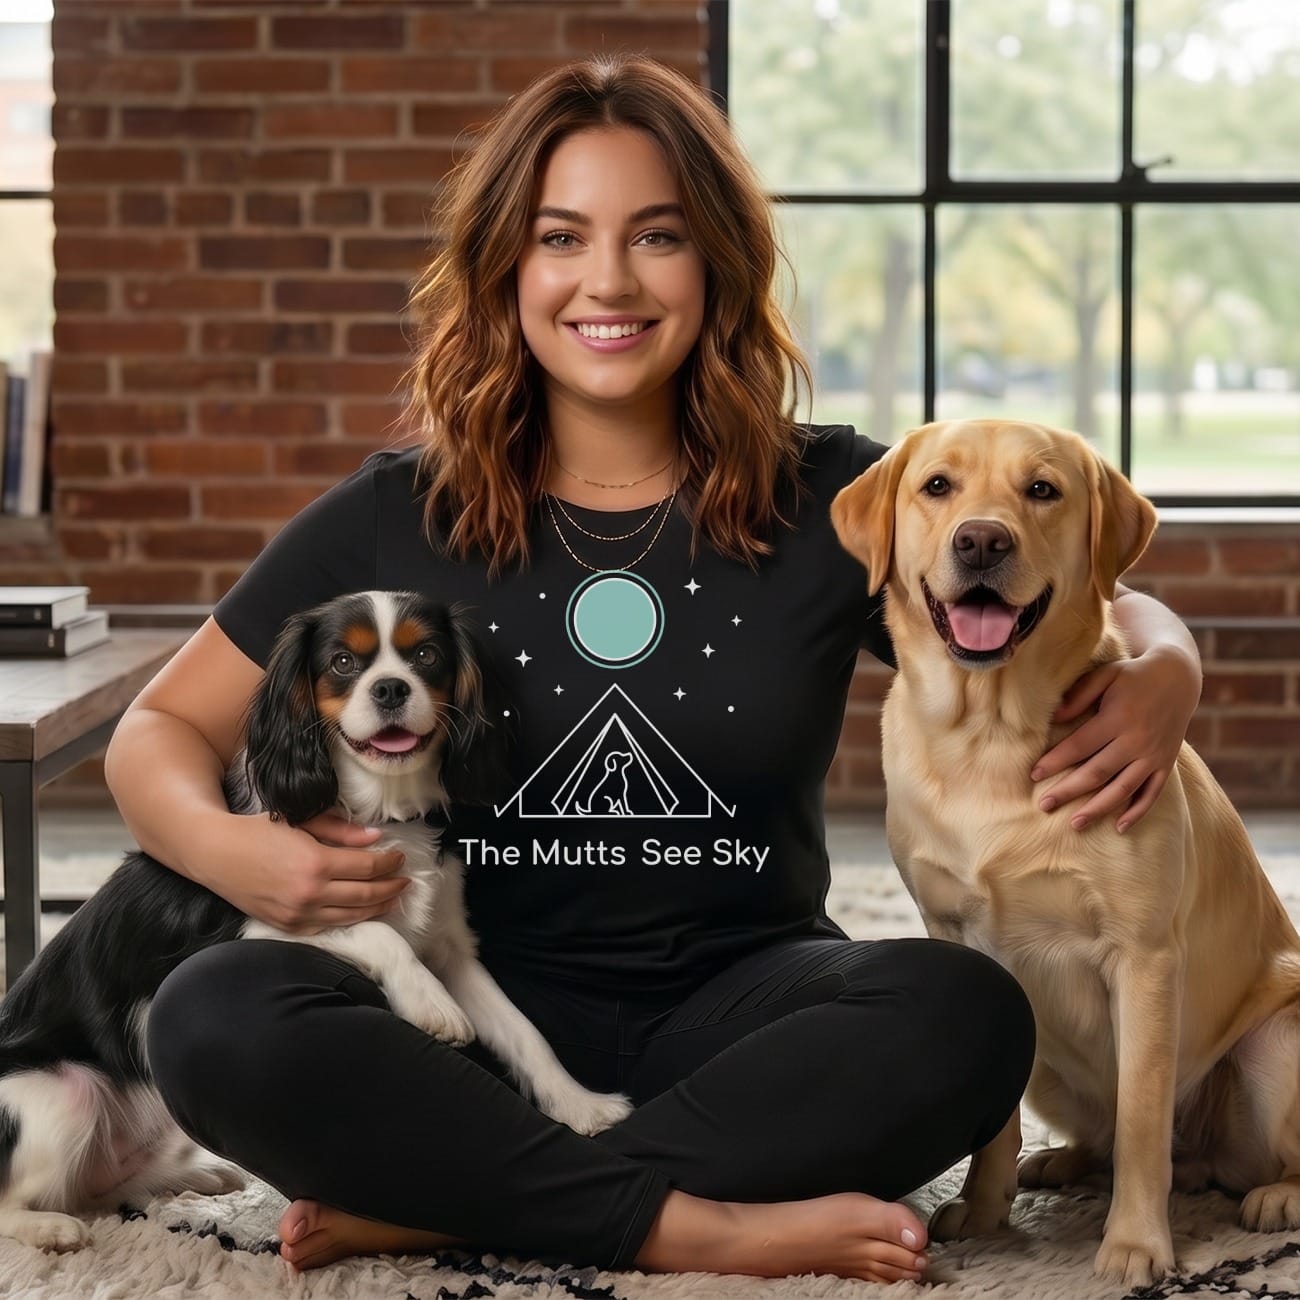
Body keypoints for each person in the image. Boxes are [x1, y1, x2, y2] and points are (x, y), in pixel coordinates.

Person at [105, 55, 1203, 1284]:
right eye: (561, 236)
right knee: (211, 1013)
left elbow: (1022, 554)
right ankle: (697, 1222)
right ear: (506, 269)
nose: (608, 281)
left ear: (716, 262)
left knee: (965, 1014)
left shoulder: (822, 493)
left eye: (657, 236)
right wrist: (236, 851)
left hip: (746, 1006)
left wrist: (1168, 662)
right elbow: (156, 732)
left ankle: (457, 1195)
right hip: (474, 1017)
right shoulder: (396, 511)